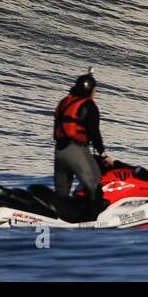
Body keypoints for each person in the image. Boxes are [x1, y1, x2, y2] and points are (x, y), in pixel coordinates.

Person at [53, 72, 111, 219]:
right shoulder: (89, 105)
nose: (95, 93)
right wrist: (103, 154)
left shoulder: (64, 101)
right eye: (94, 89)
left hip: (59, 151)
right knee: (95, 185)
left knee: (61, 194)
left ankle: (61, 220)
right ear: (89, 89)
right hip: (76, 151)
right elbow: (94, 133)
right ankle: (94, 220)